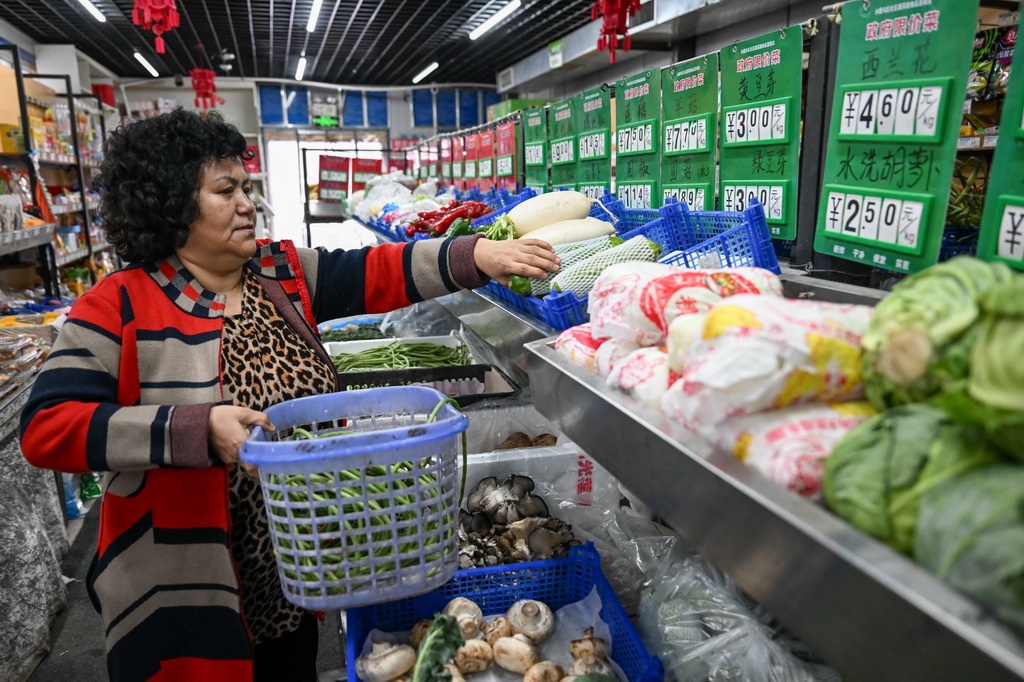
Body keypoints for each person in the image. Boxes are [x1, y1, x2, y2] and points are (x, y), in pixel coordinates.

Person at [19, 108, 559, 682]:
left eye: (245, 186)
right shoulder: (118, 305)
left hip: (291, 574)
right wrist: (196, 429)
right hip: (179, 585)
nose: (247, 203)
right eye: (225, 190)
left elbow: (378, 270)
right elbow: (48, 426)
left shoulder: (277, 273)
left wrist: (475, 256)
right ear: (170, 205)